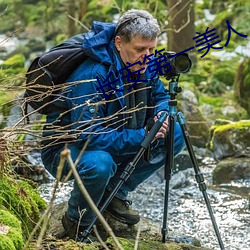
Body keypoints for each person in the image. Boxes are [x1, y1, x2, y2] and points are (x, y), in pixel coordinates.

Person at [41, 9, 185, 241]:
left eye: (152, 49)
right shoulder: (92, 75)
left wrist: (161, 114)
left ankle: (115, 193)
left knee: (175, 132)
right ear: (119, 43)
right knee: (100, 164)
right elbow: (87, 136)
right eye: (140, 49)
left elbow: (159, 95)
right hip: (67, 150)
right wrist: (142, 135)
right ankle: (76, 221)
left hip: (116, 136)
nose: (147, 56)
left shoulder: (143, 63)